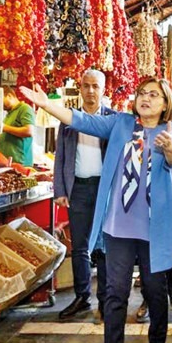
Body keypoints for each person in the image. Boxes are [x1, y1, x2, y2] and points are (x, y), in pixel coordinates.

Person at [21, 77, 172, 343]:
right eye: (141, 93)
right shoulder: (122, 124)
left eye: (153, 94)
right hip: (118, 226)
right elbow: (83, 121)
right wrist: (48, 105)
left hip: (154, 229)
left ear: (165, 103)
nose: (145, 98)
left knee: (154, 291)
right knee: (114, 294)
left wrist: (170, 147)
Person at [54, 70, 115, 320]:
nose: (90, 91)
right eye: (86, 86)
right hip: (77, 188)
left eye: (95, 86)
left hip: (104, 190)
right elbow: (60, 157)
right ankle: (82, 297)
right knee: (80, 245)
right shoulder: (69, 120)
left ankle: (105, 301)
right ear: (79, 88)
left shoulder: (113, 119)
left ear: (103, 90)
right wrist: (60, 190)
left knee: (103, 247)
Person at [0, 86, 35, 166]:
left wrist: (4, 128)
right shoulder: (10, 112)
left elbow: (29, 131)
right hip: (7, 162)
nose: (0, 104)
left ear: (9, 96)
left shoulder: (25, 109)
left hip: (20, 163)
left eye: (1, 100)